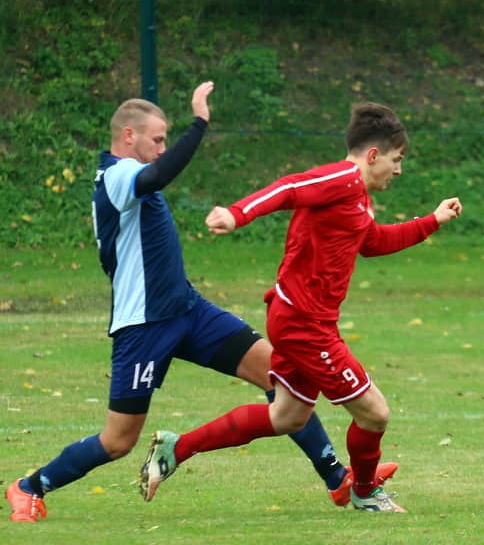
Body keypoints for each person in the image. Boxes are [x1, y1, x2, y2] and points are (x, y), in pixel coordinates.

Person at [4, 83, 395, 524]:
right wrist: (199, 124)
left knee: (278, 375)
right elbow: (157, 175)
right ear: (128, 136)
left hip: (189, 311)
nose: (162, 148)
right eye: (157, 139)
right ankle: (29, 487)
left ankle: (337, 479)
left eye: (166, 140)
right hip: (145, 325)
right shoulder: (116, 175)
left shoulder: (131, 176)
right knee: (118, 440)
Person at [137, 102, 462, 513]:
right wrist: (237, 215)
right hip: (305, 324)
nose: (398, 170)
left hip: (299, 318)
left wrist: (432, 220)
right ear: (373, 155)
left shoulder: (358, 197)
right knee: (375, 413)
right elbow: (289, 188)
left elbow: (373, 242)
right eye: (396, 160)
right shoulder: (341, 179)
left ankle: (176, 448)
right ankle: (364, 492)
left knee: (287, 417)